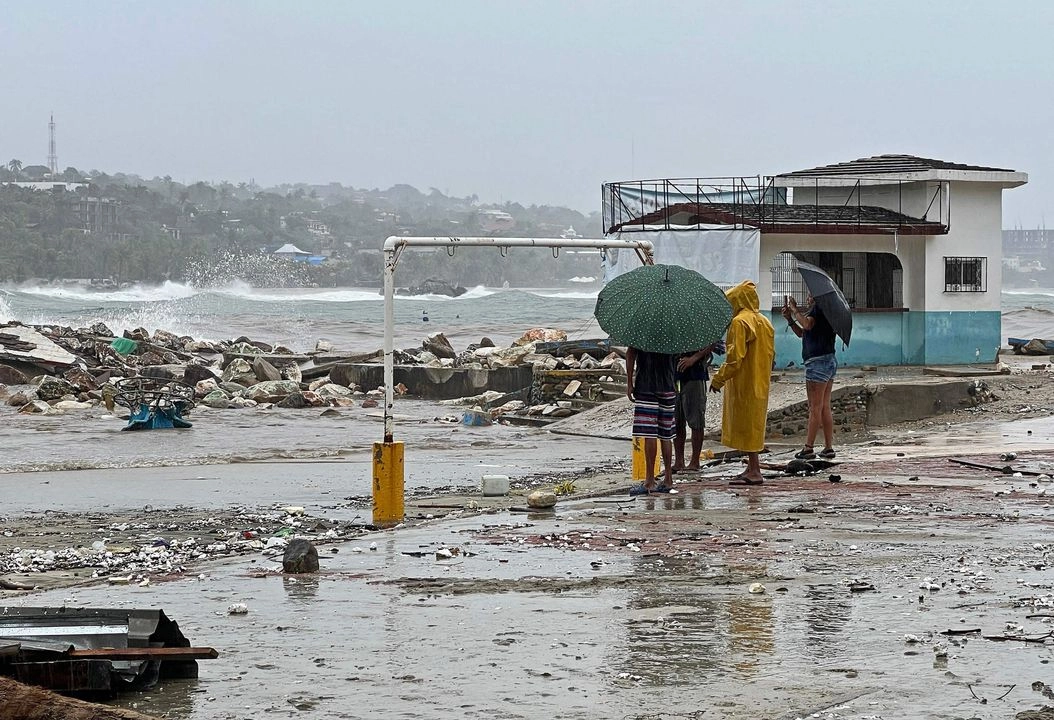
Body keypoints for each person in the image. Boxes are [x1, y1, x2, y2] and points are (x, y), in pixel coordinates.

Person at [708, 280, 775, 485]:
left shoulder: (740, 323)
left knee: (746, 426)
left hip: (744, 383)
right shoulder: (765, 322)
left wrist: (718, 379)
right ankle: (751, 467)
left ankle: (754, 470)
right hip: (760, 381)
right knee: (753, 426)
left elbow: (735, 359)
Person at [782, 293, 837, 460]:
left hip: (817, 364)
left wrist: (795, 310)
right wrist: (790, 319)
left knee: (814, 407)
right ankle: (828, 447)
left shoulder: (818, 309)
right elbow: (802, 334)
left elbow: (806, 325)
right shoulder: (827, 311)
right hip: (829, 360)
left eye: (810, 295)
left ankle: (808, 448)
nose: (808, 297)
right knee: (824, 406)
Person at [626, 347, 676, 495]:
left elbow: (630, 354)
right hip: (668, 385)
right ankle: (668, 479)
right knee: (666, 435)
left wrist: (629, 382)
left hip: (646, 385)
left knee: (650, 434)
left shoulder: (642, 330)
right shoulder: (673, 332)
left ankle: (649, 481)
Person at [672, 341, 725, 473]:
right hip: (674, 376)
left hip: (695, 375)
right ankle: (679, 461)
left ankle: (695, 461)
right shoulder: (670, 325)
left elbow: (715, 344)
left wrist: (693, 358)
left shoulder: (700, 325)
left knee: (696, 421)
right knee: (677, 421)